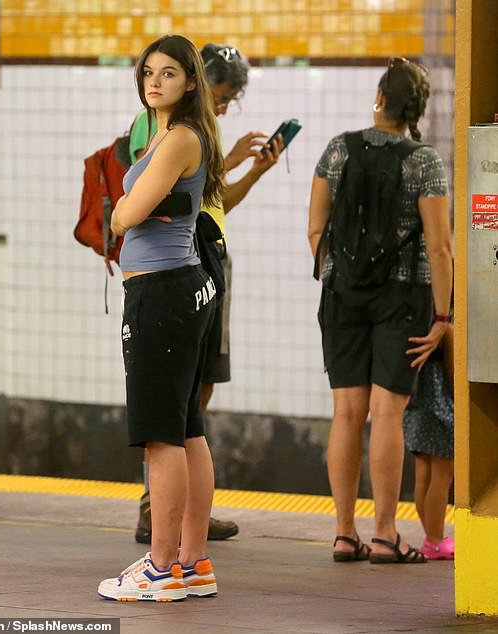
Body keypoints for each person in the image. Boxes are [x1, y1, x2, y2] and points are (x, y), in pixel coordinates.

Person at [128, 42, 282, 545]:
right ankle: (177, 532)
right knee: (182, 415)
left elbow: (163, 208)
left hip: (182, 271)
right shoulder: (160, 129)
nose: (224, 104)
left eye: (231, 98)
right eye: (223, 92)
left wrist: (249, 168)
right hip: (183, 269)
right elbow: (146, 201)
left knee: (179, 415)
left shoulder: (187, 134)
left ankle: (169, 548)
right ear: (200, 80)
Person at [307, 57, 452, 563]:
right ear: (417, 109)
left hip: (342, 296)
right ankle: (387, 533)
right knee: (387, 413)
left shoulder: (337, 151)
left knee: (347, 413)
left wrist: (338, 277)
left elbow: (314, 231)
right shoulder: (425, 162)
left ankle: (345, 533)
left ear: (379, 99)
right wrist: (443, 318)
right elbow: (440, 249)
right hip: (403, 297)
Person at [97, 34, 225, 602]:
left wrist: (124, 211)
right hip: (183, 288)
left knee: (159, 438)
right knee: (186, 429)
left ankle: (161, 566)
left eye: (169, 73)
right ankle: (193, 563)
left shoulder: (178, 139)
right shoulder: (178, 136)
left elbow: (128, 211)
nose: (155, 81)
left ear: (191, 81)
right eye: (149, 71)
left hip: (162, 295)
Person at [404, 321, 454, 560]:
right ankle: (435, 539)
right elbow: (455, 371)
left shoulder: (416, 317)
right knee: (442, 476)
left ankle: (430, 537)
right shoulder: (446, 326)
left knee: (423, 473)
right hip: (441, 405)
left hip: (416, 402)